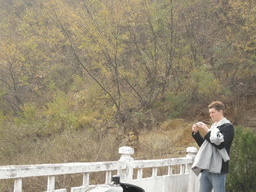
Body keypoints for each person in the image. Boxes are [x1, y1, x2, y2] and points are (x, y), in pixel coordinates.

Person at [191, 101, 234, 192]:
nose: (211, 115)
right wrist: (196, 134)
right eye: (210, 113)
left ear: (220, 112)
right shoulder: (213, 127)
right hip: (206, 168)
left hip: (218, 170)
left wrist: (207, 130)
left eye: (213, 112)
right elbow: (205, 146)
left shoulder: (228, 127)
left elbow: (220, 144)